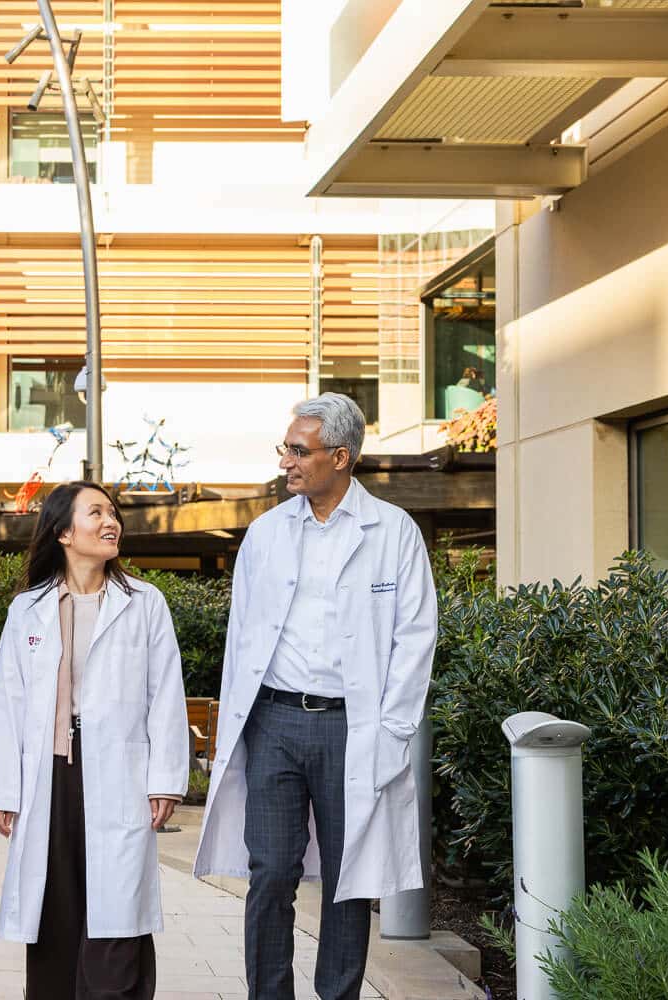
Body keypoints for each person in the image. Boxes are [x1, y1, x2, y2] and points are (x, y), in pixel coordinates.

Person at [193, 393, 437, 1000]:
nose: (287, 462)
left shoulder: (394, 533)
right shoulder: (266, 533)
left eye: (299, 451)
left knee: (347, 878)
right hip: (274, 722)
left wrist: (393, 731)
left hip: (352, 727)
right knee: (270, 872)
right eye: (286, 448)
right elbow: (242, 637)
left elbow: (415, 639)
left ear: (341, 457)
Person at [0, 481, 189, 999]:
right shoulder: (27, 610)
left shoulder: (144, 604)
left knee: (116, 917)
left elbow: (165, 695)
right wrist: (4, 789)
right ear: (64, 532)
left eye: (113, 512)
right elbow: (6, 706)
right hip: (49, 779)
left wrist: (165, 779)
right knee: (55, 908)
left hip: (118, 774)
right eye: (95, 512)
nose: (110, 521)